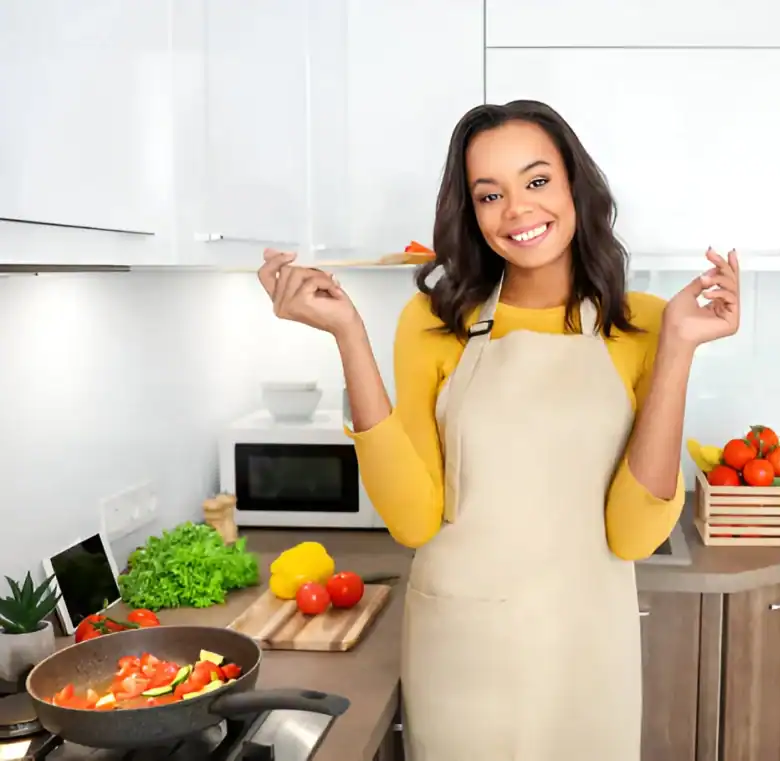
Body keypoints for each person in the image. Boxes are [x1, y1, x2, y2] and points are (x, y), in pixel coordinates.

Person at [257, 100, 740, 761]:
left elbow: (633, 532)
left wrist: (681, 348)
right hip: (463, 654)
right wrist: (349, 335)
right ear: (472, 211)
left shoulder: (647, 324)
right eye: (491, 194)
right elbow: (413, 520)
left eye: (537, 181)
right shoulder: (432, 322)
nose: (517, 210)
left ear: (575, 185)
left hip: (585, 651)